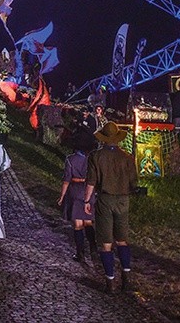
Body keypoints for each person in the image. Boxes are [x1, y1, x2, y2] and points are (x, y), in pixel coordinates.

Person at [83, 122, 138, 293]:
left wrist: (86, 201)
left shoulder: (95, 156)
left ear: (104, 139)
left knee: (106, 243)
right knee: (122, 240)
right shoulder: (128, 157)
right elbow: (134, 183)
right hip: (123, 200)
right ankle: (126, 277)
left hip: (105, 201)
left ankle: (110, 281)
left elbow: (91, 182)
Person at [58, 127, 99, 263]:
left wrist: (62, 196)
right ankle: (93, 248)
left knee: (77, 224)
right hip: (88, 190)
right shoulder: (92, 159)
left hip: (74, 191)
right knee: (88, 222)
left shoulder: (70, 159)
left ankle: (80, 253)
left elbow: (66, 180)